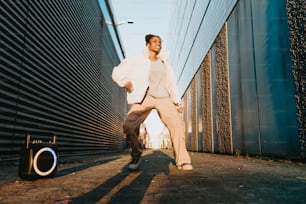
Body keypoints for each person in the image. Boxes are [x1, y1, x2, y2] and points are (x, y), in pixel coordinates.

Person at [112, 34, 193, 171]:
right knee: (128, 126)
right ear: (148, 44)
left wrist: (177, 102)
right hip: (144, 97)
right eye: (155, 42)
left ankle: (183, 160)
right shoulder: (136, 60)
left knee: (177, 125)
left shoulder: (164, 63)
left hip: (163, 98)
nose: (159, 44)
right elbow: (117, 72)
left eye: (160, 42)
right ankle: (136, 154)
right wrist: (125, 82)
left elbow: (171, 84)